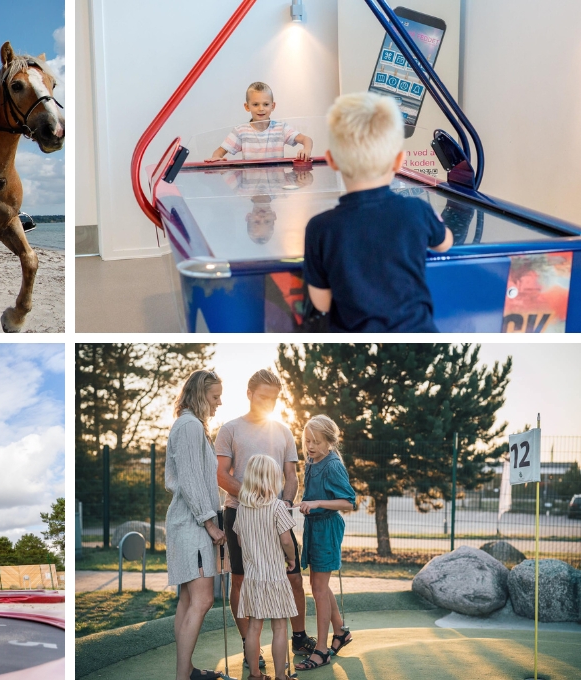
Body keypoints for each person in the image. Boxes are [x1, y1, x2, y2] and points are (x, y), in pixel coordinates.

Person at [302, 92, 454, 331]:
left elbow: (321, 301)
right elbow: (445, 243)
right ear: (399, 161)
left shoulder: (320, 227)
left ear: (331, 160)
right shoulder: (417, 211)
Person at [215, 369, 313, 666]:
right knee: (242, 580)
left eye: (273, 399)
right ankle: (250, 648)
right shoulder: (229, 429)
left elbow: (291, 477)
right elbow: (221, 475)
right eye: (262, 398)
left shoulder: (282, 431)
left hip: (277, 514)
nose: (268, 404)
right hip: (238, 514)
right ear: (249, 394)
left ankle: (299, 637)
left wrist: (282, 504)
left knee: (293, 577)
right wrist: (253, 501)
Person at [165, 369, 227, 680]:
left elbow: (196, 477)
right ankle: (182, 676)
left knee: (188, 599)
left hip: (187, 523)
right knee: (202, 599)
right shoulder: (189, 426)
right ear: (199, 394)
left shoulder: (189, 425)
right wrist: (210, 523)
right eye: (215, 397)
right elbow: (190, 481)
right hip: (193, 525)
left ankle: (185, 670)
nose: (218, 403)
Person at [293, 415, 357, 671]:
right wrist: (304, 503)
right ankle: (340, 632)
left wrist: (317, 503)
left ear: (330, 442)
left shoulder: (332, 465)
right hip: (313, 528)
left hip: (328, 528)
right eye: (307, 440)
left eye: (316, 442)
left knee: (319, 588)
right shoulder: (311, 460)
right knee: (318, 584)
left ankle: (321, 649)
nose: (310, 446)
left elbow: (349, 502)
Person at [233, 455, 299, 680]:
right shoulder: (278, 507)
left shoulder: (242, 508)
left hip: (253, 577)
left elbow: (241, 541)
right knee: (280, 627)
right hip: (274, 576)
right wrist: (291, 559)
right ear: (272, 479)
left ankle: (255, 674)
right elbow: (287, 540)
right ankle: (281, 676)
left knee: (254, 627)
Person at [206, 82, 313, 162]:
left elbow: (306, 139)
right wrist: (216, 158)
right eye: (256, 104)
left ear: (273, 106)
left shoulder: (281, 128)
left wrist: (306, 150)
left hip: (276, 187)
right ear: (247, 107)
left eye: (266, 104)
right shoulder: (240, 131)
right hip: (250, 188)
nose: (261, 108)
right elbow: (219, 151)